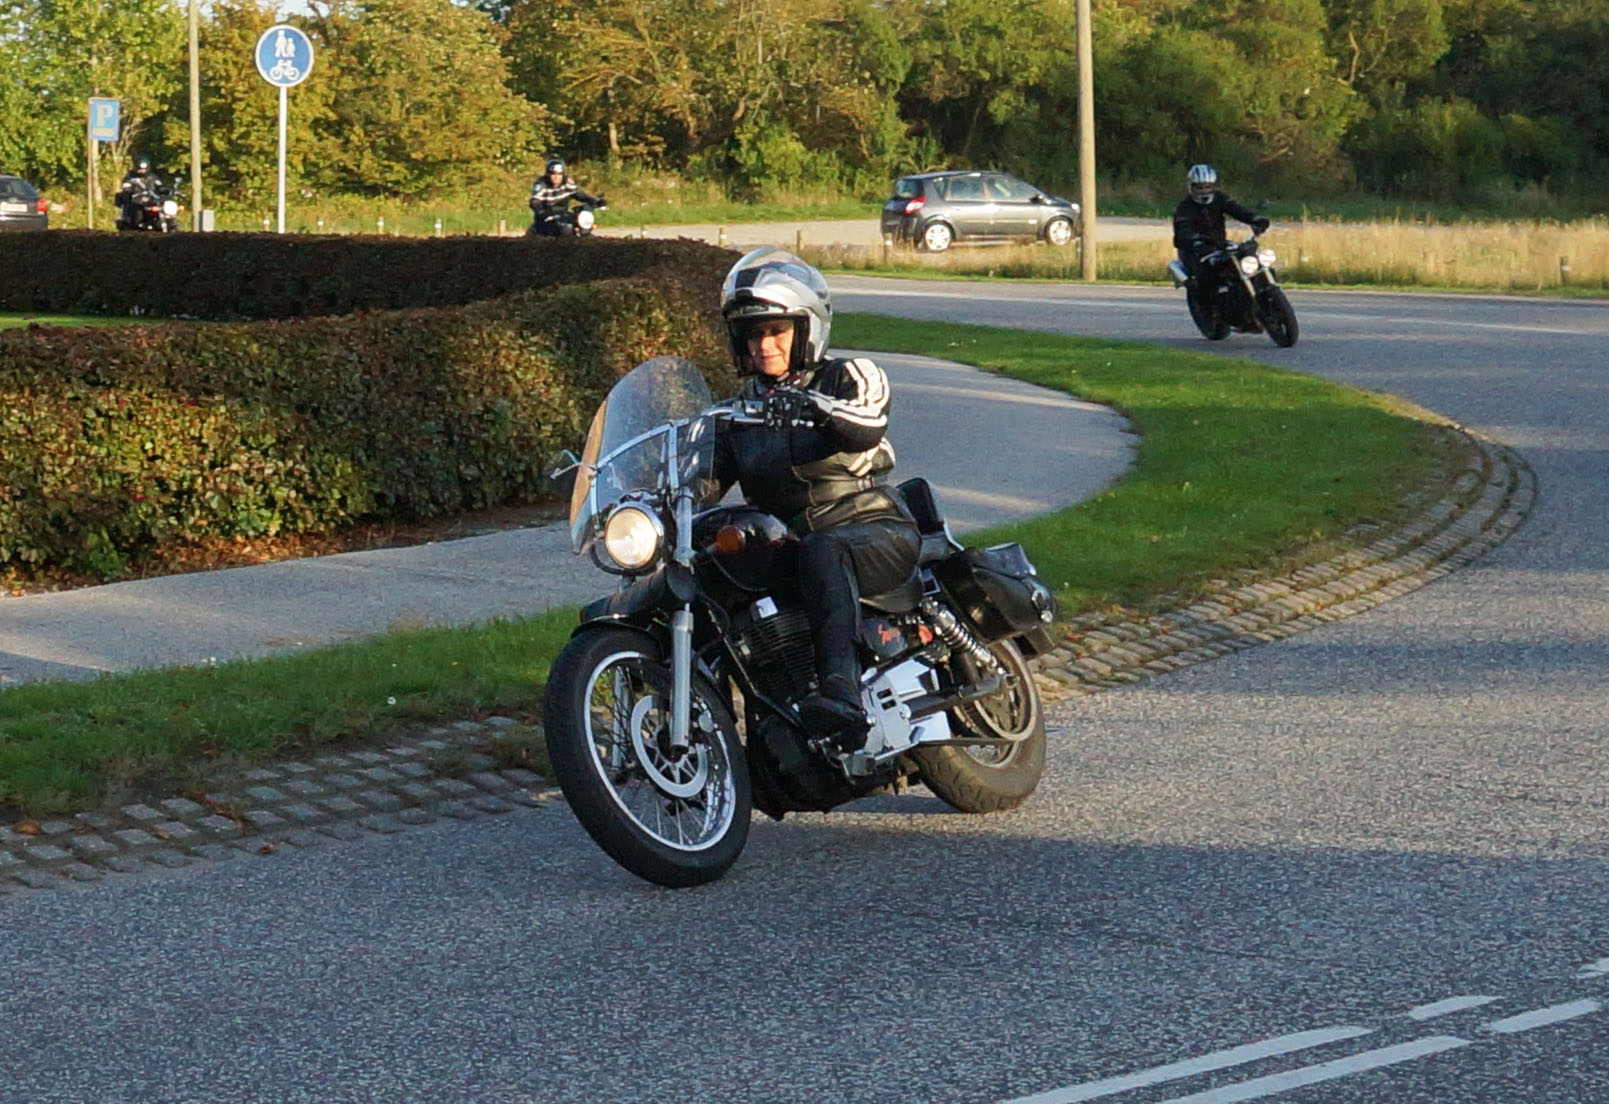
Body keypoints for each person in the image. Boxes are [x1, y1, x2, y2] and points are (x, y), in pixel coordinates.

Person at [712, 248, 921, 752]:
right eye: (753, 334)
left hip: (872, 527)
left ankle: (842, 695)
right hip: (792, 543)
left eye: (775, 331)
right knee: (711, 566)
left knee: (823, 550)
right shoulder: (737, 412)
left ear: (807, 328)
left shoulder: (850, 375)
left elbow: (868, 425)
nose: (763, 345)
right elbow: (702, 480)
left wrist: (813, 407)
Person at [1172, 163, 1269, 293]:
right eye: (1199, 187)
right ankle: (1209, 302)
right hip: (1195, 250)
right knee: (1206, 278)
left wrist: (1256, 220)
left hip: (1219, 246)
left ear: (1213, 186)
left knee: (1250, 262)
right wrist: (1194, 239)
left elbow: (1237, 210)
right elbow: (1181, 232)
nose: (1204, 191)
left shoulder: (1219, 199)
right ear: (1191, 187)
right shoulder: (1184, 207)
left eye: (1208, 187)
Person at [527, 157, 604, 237]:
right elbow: (535, 202)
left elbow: (578, 194)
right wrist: (542, 212)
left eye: (559, 174)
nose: (556, 177)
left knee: (580, 226)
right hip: (546, 219)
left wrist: (594, 201)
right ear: (548, 174)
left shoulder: (567, 182)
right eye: (553, 174)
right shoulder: (541, 184)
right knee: (566, 228)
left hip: (563, 215)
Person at [115, 156, 169, 230]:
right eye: (140, 169)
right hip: (136, 200)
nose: (142, 171)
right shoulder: (130, 177)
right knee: (126, 200)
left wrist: (164, 190)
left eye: (144, 169)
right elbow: (126, 186)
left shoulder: (152, 177)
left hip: (151, 199)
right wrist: (129, 190)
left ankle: (163, 222)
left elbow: (159, 185)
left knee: (165, 206)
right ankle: (128, 219)